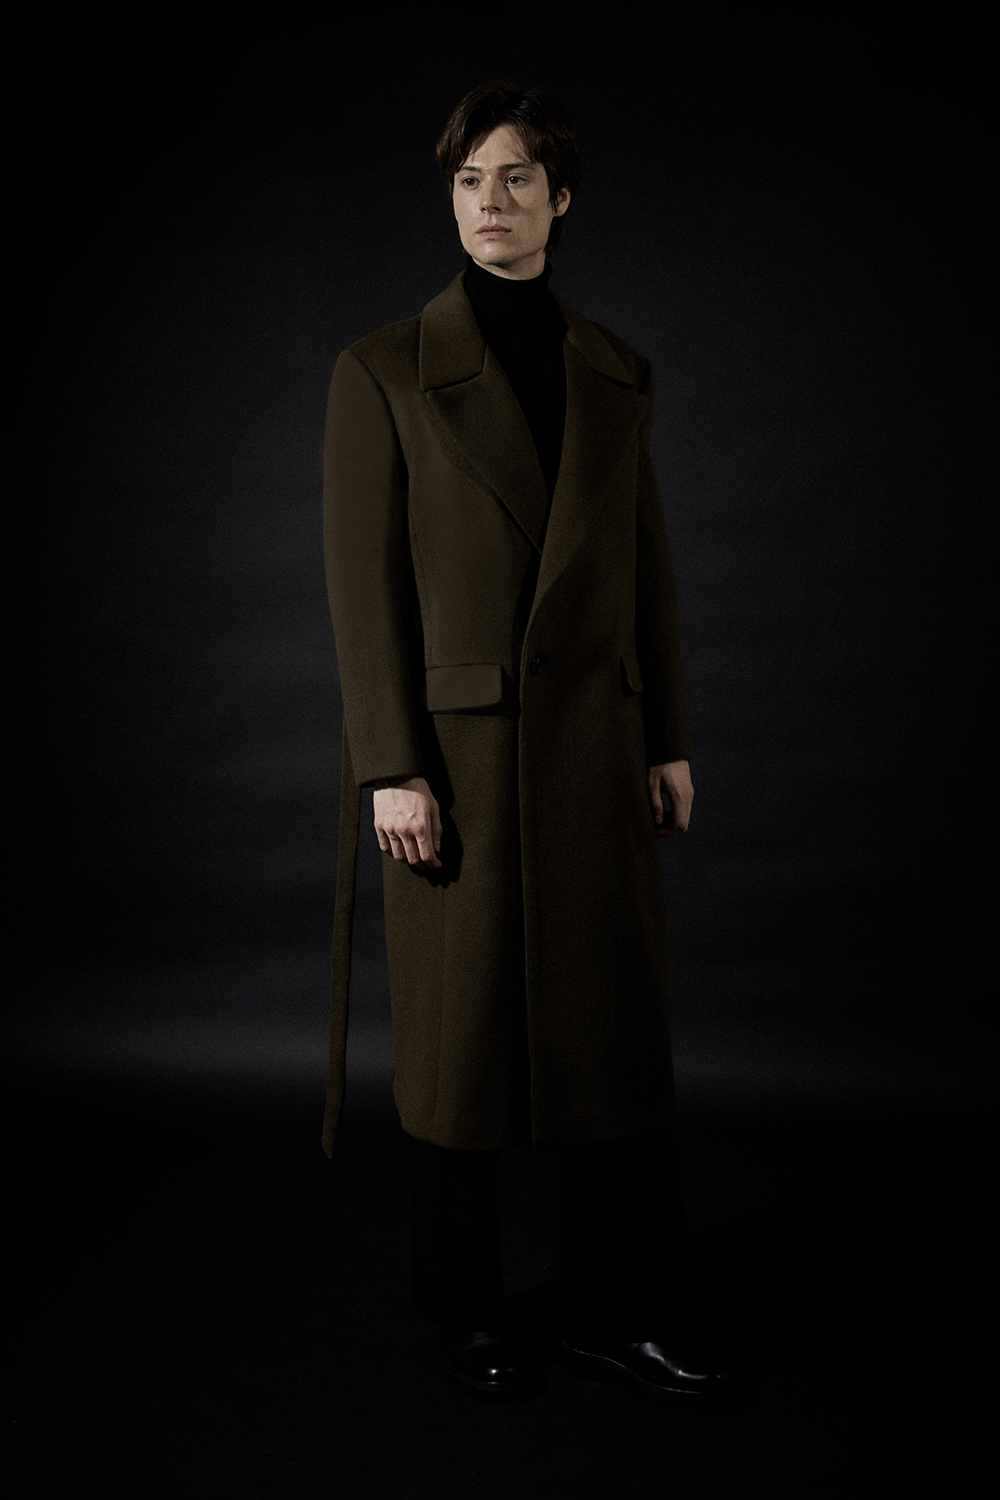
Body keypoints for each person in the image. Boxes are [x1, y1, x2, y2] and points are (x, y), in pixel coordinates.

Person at [321, 79, 732, 1404]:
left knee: (613, 1047)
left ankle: (621, 1310)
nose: (487, 203)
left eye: (513, 178)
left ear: (561, 198)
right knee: (463, 1048)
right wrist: (391, 764)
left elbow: (645, 566)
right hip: (463, 765)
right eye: (467, 181)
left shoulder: (617, 369)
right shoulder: (383, 369)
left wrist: (667, 737)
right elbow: (363, 587)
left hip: (595, 757)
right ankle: (469, 1308)